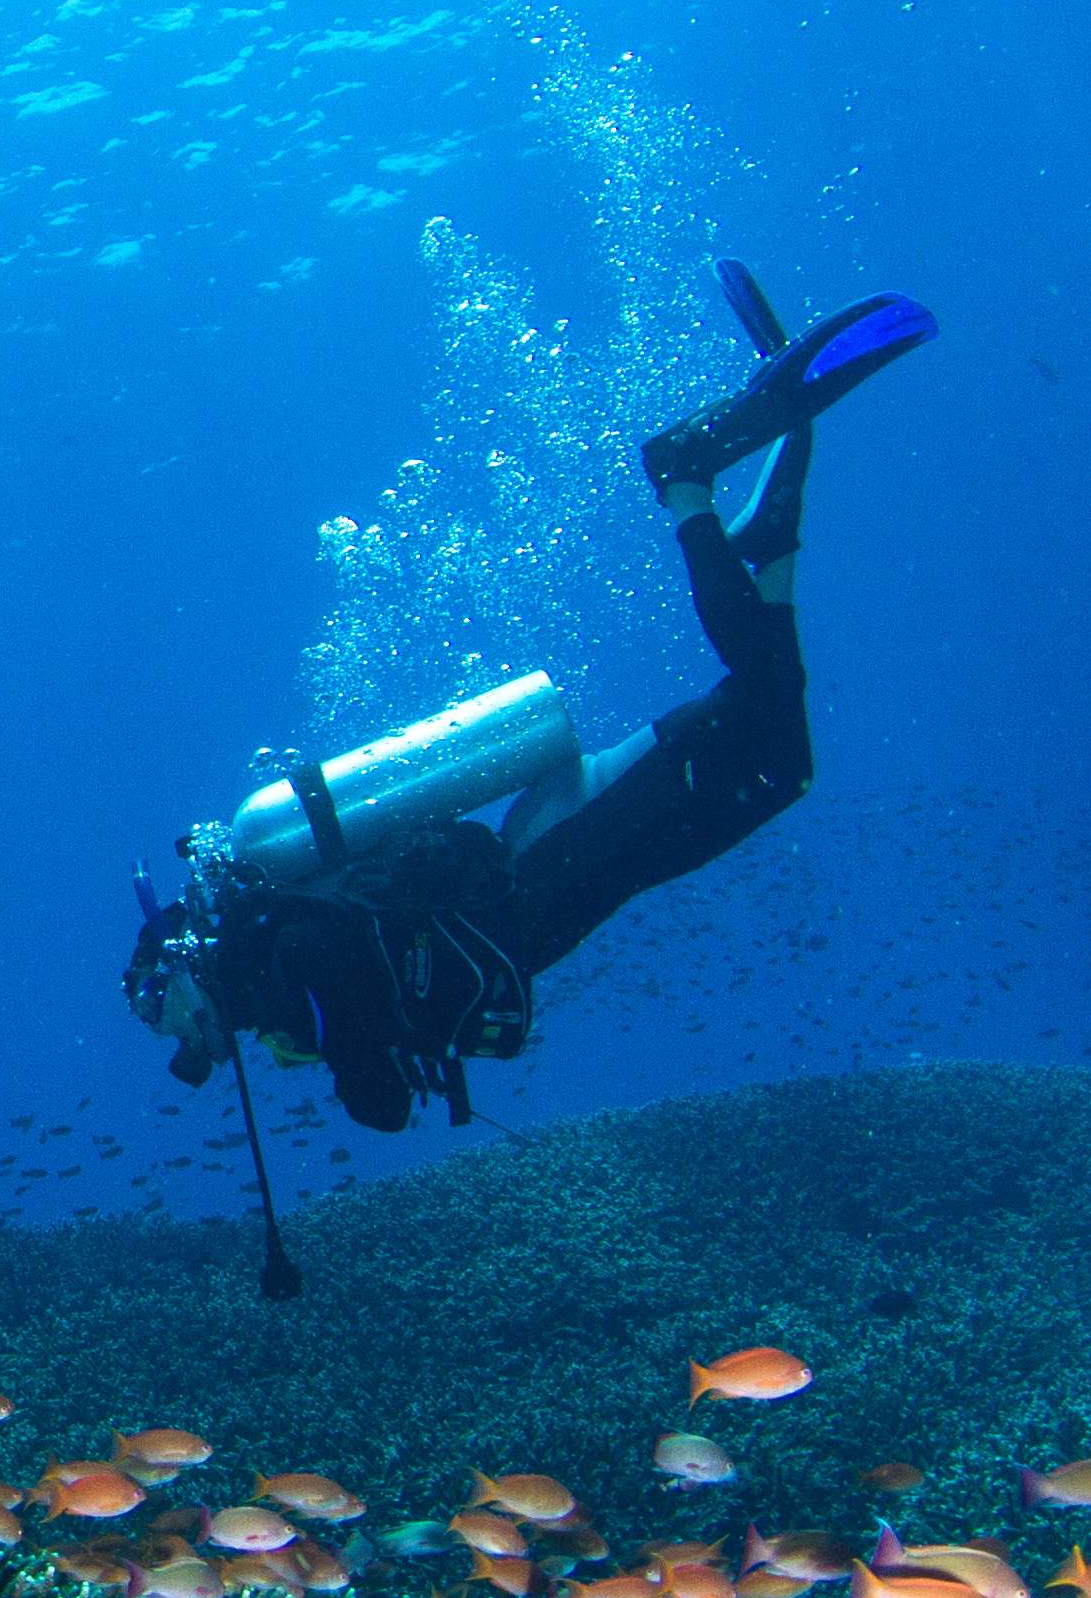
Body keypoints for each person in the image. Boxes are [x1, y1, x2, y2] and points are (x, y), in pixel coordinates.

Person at [127, 269, 934, 1139]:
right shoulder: (284, 969)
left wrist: (341, 1055)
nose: (180, 1039)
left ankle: (684, 478)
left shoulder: (288, 946)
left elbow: (378, 1091)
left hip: (540, 861)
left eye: (161, 1015)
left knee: (759, 734)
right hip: (552, 887)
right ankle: (768, 541)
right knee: (779, 769)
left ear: (180, 972)